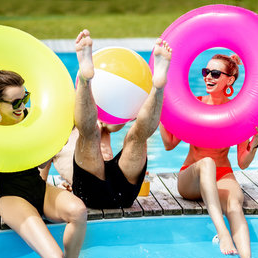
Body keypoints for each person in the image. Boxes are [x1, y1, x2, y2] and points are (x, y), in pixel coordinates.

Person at [0, 70, 88, 258]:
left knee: (79, 212)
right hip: (12, 197)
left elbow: (40, 165)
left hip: (37, 187)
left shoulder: (30, 118)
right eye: (15, 103)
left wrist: (54, 147)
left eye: (25, 98)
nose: (22, 106)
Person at [160, 54, 258, 258]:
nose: (208, 77)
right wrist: (164, 112)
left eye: (215, 74)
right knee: (207, 162)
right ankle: (223, 233)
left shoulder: (236, 113)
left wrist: (256, 137)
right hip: (191, 178)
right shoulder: (194, 105)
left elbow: (243, 162)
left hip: (223, 175)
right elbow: (169, 144)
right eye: (206, 72)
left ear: (229, 80)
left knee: (234, 205)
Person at [43, 29, 172, 209]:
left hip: (92, 190)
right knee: (135, 137)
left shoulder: (99, 124)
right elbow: (41, 183)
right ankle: (157, 88)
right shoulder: (55, 137)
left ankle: (88, 79)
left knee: (96, 134)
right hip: (122, 191)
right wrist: (58, 192)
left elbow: (116, 122)